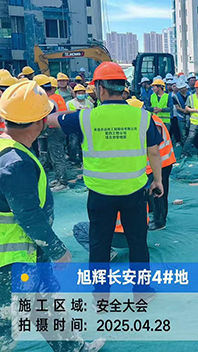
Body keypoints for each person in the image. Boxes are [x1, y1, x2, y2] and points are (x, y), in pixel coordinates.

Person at [0, 81, 106, 352]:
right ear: (38, 122)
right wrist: (57, 250)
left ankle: (74, 348)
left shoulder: (9, 149)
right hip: (12, 259)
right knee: (6, 326)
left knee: (45, 304)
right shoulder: (16, 163)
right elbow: (28, 215)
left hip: (29, 253)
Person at [47, 62, 164, 269]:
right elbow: (154, 152)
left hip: (100, 194)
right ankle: (142, 285)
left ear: (100, 88)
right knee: (138, 244)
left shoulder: (86, 117)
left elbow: (52, 120)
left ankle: (100, 287)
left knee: (99, 245)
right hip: (134, 192)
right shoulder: (144, 117)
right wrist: (157, 180)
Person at [127, 98, 175, 231]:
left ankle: (160, 221)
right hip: (156, 163)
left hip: (162, 163)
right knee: (153, 192)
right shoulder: (147, 120)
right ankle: (156, 214)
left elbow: (153, 148)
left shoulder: (151, 122)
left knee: (158, 193)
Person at [37, 75, 69, 191]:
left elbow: (48, 118)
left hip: (54, 129)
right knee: (55, 155)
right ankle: (58, 178)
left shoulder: (49, 100)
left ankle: (63, 182)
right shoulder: (57, 97)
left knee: (57, 156)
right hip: (61, 127)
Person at [66, 84, 94, 164]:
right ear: (75, 94)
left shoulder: (89, 103)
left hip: (85, 127)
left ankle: (82, 159)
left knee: (84, 144)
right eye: (79, 93)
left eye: (82, 92)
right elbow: (69, 113)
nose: (81, 94)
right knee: (73, 144)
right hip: (74, 126)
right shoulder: (70, 103)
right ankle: (73, 159)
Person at [172, 79, 189, 145]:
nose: (184, 89)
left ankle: (189, 144)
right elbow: (177, 107)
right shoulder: (175, 97)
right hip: (181, 116)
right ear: (179, 89)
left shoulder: (190, 94)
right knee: (183, 132)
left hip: (190, 115)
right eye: (182, 88)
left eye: (184, 87)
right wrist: (184, 111)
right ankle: (184, 145)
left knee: (190, 131)